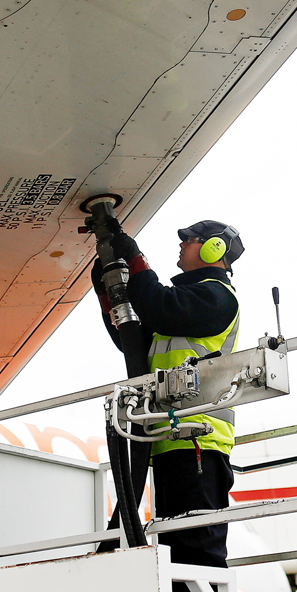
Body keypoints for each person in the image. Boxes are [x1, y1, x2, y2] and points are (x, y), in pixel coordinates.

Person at [92, 220, 244, 573]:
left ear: (214, 249)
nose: (182, 245)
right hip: (171, 442)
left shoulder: (217, 297)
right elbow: (133, 343)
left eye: (190, 240)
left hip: (198, 444)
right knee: (177, 554)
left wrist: (134, 258)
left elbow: (159, 305)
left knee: (198, 555)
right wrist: (107, 290)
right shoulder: (183, 309)